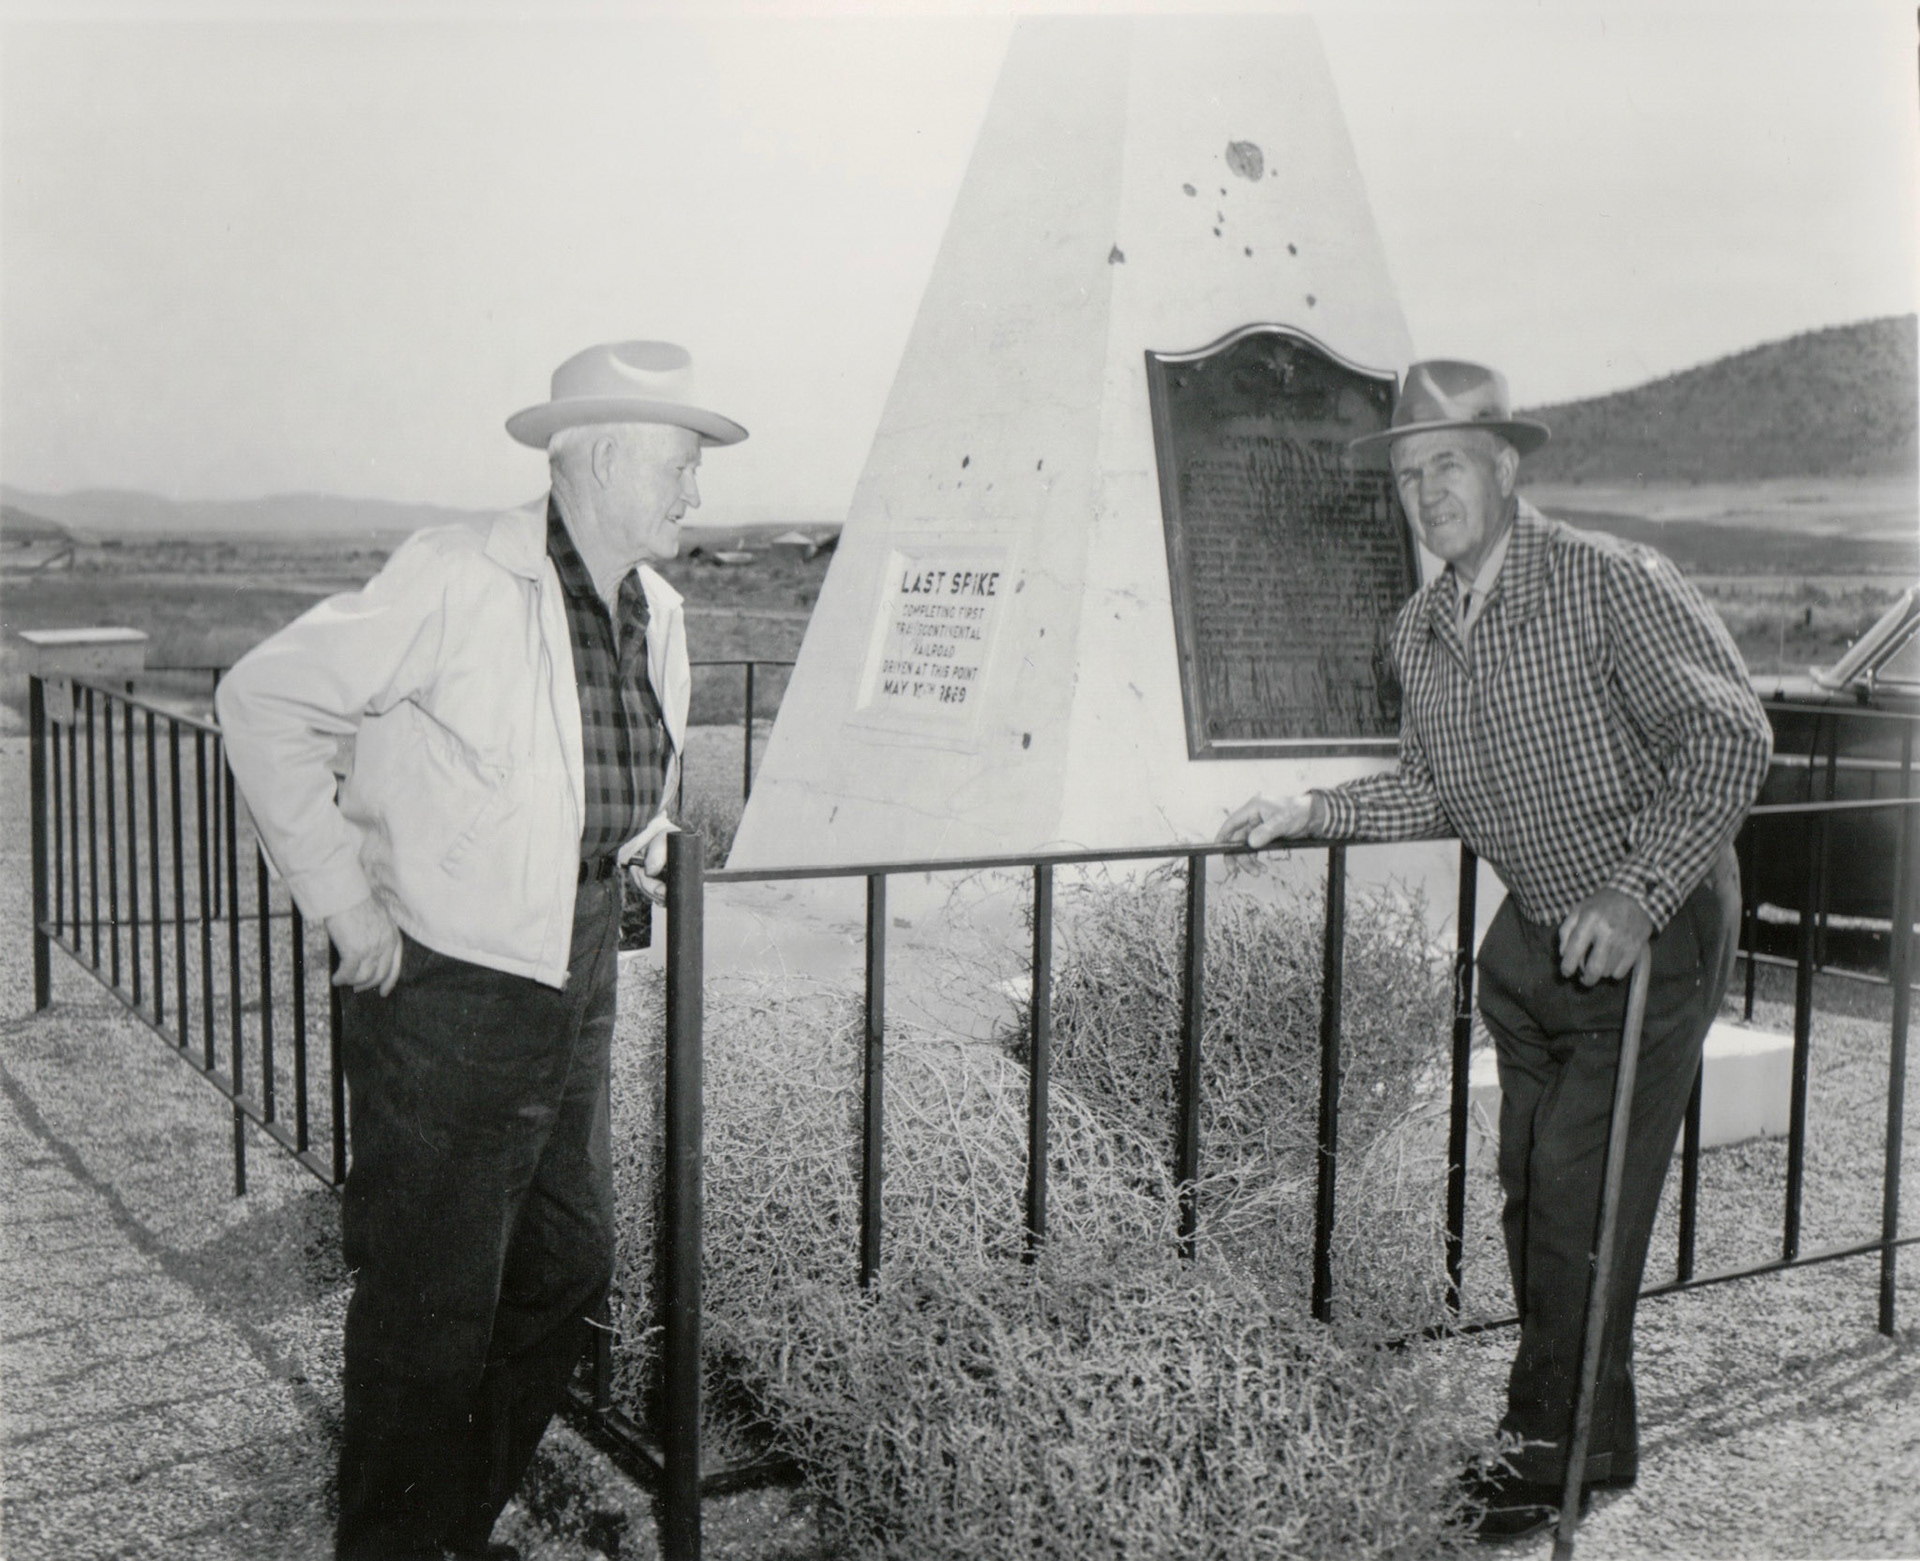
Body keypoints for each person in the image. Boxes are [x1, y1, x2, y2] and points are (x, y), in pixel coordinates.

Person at [1217, 360, 1772, 1542]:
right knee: (1536, 1200)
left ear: (1507, 466)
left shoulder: (1608, 579)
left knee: (1578, 1199)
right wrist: (1313, 810)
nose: (1427, 493)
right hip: (1536, 944)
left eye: (1449, 463)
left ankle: (1541, 1463)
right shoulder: (1418, 630)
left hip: (1652, 927)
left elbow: (1732, 737)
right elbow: (1428, 787)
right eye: (1410, 474)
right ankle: (1596, 1439)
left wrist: (1635, 893)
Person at [216, 340, 745, 1560]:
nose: (695, 497)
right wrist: (344, 901)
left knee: (569, 1263)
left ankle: (441, 1525)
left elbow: (613, 768)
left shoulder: (655, 611)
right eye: (681, 466)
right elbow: (264, 699)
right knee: (432, 1304)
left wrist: (644, 839)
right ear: (603, 458)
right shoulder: (458, 577)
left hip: (578, 960)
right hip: (450, 988)